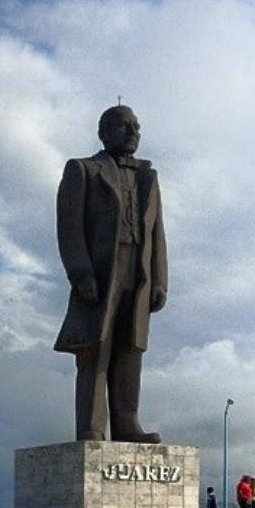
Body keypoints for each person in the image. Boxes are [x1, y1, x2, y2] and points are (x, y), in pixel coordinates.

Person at [54, 105, 168, 443]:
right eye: (123, 125)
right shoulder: (83, 170)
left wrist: (160, 279)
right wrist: (79, 270)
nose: (132, 132)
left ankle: (127, 424)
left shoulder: (149, 177)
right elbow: (69, 226)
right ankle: (92, 426)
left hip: (139, 272)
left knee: (130, 349)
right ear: (104, 132)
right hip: (101, 273)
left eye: (137, 126)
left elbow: (157, 233)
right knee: (96, 349)